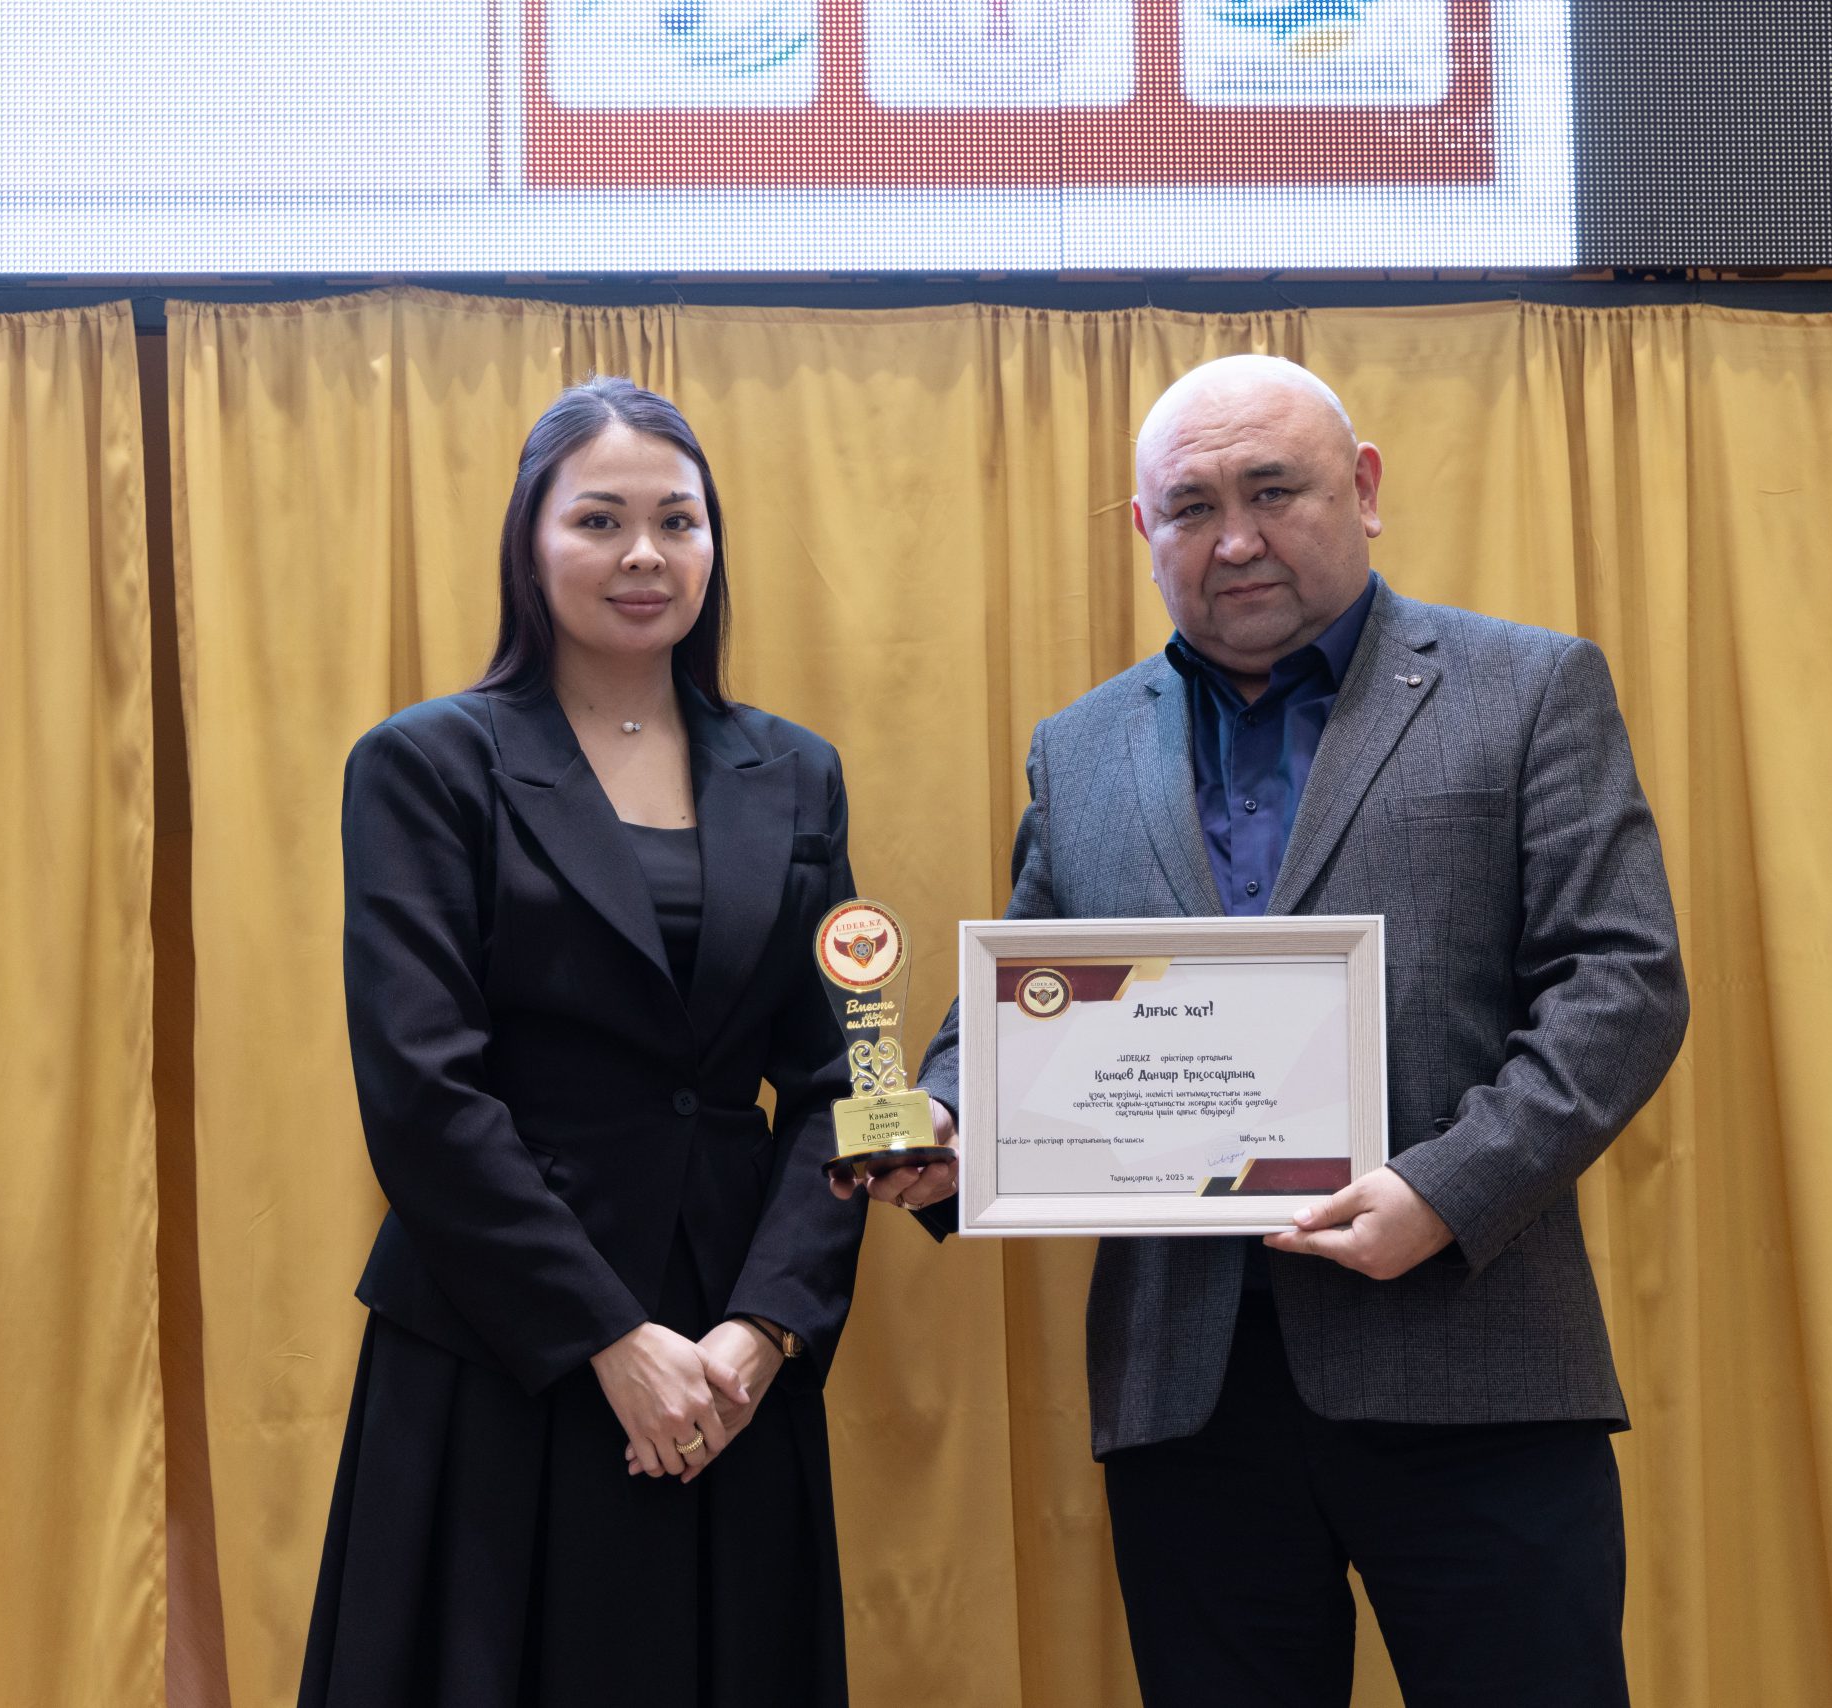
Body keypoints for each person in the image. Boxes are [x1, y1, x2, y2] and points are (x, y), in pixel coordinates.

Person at [849, 355, 1688, 1707]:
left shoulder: (1529, 688)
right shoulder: (1079, 749)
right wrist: (950, 1117)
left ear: (1364, 490)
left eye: (1273, 490)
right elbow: (1033, 989)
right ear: (1145, 531)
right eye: (1192, 507)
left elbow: (1622, 979)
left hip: (1471, 1362)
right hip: (1188, 1394)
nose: (1234, 538)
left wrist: (1445, 1191)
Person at [301, 377, 868, 1707]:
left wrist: (764, 1329)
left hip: (728, 1359)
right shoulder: (426, 763)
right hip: (504, 1343)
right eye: (599, 519)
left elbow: (842, 1077)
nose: (644, 555)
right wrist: (610, 1337)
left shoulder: (795, 770)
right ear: (531, 539)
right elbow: (423, 1091)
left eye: (678, 520)